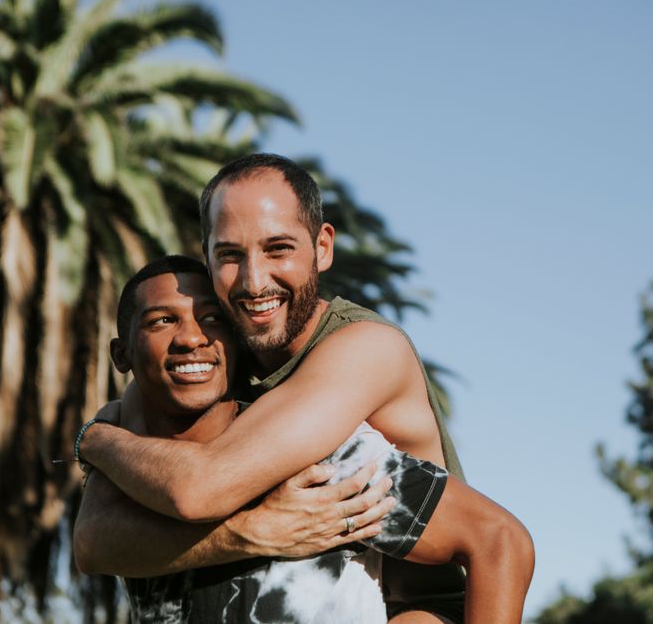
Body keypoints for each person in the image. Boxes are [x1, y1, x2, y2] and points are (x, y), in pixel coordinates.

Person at [77, 154, 535, 622]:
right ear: (208, 257)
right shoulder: (212, 357)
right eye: (230, 255)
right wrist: (251, 531)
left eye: (278, 249)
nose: (255, 281)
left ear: (322, 247)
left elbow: (196, 490)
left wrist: (94, 439)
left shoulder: (365, 350)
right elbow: (93, 542)